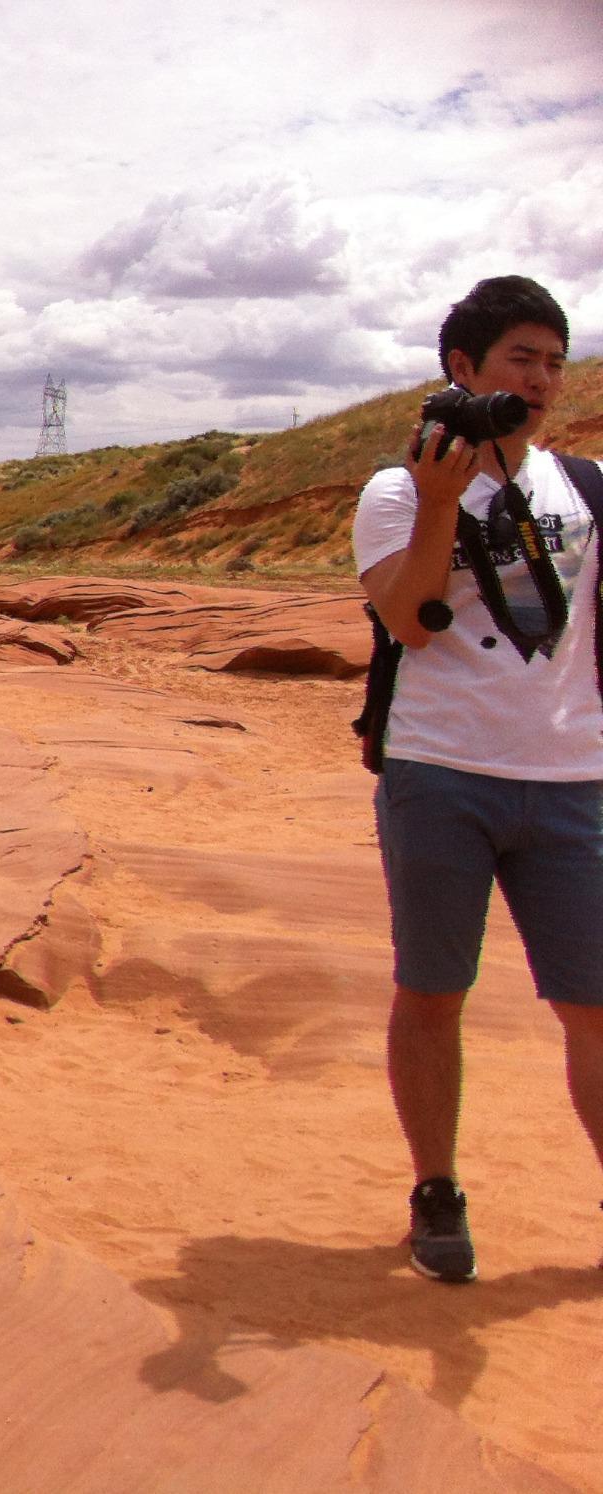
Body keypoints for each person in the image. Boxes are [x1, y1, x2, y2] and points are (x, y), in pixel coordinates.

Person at [353, 275, 603, 1283]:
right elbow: (408, 621)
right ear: (460, 369)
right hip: (439, 773)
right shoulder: (396, 490)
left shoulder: (584, 486)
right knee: (430, 992)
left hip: (573, 778)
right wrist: (441, 507)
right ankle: (435, 1187)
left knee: (592, 1006)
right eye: (519, 358)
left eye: (553, 359)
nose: (541, 379)